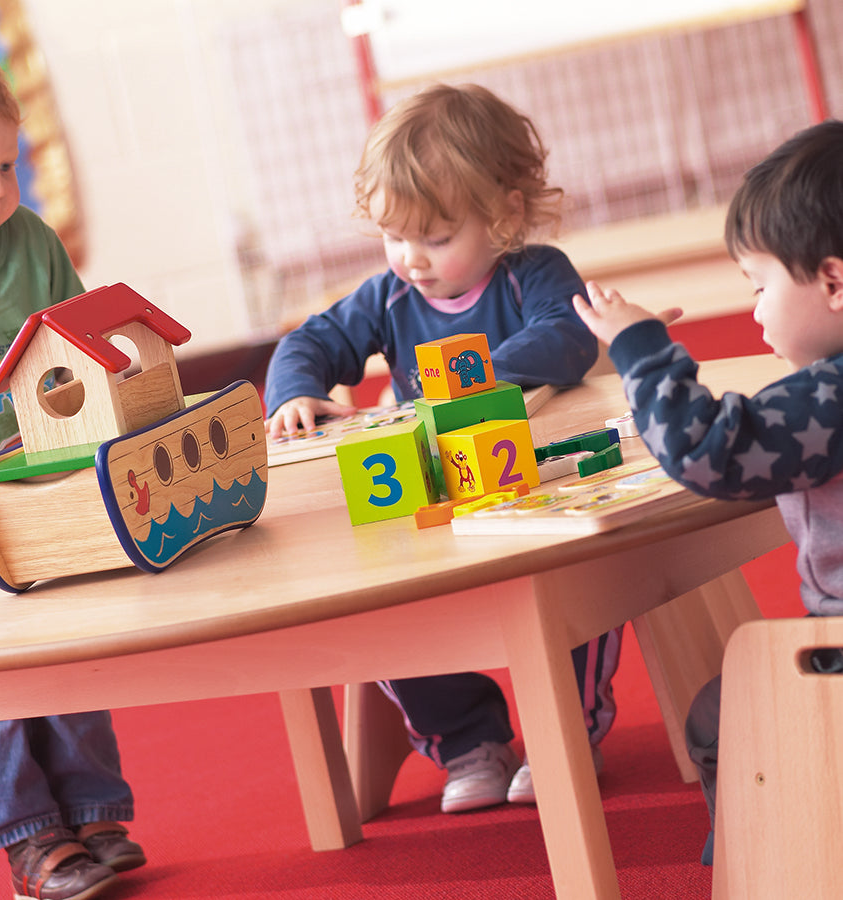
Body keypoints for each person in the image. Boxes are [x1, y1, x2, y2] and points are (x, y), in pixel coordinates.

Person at [265, 83, 622, 812]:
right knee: (380, 595)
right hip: (433, 507)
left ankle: (569, 729)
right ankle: (466, 741)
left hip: (540, 491)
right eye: (395, 237)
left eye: (435, 238)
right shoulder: (389, 296)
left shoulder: (535, 273)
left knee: (578, 580)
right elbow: (311, 341)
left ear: (504, 215)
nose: (411, 260)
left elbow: (567, 337)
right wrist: (295, 395)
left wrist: (471, 379)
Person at [572, 118, 843, 865]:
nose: (755, 309)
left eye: (760, 286)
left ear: (832, 281)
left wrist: (641, 349)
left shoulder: (828, 398)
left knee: (718, 720)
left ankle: (761, 858)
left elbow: (703, 451)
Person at [0, 39, 144, 899]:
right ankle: (25, 833)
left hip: (40, 477)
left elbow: (73, 346)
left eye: (7, 165)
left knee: (66, 645)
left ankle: (92, 806)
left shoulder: (29, 241)